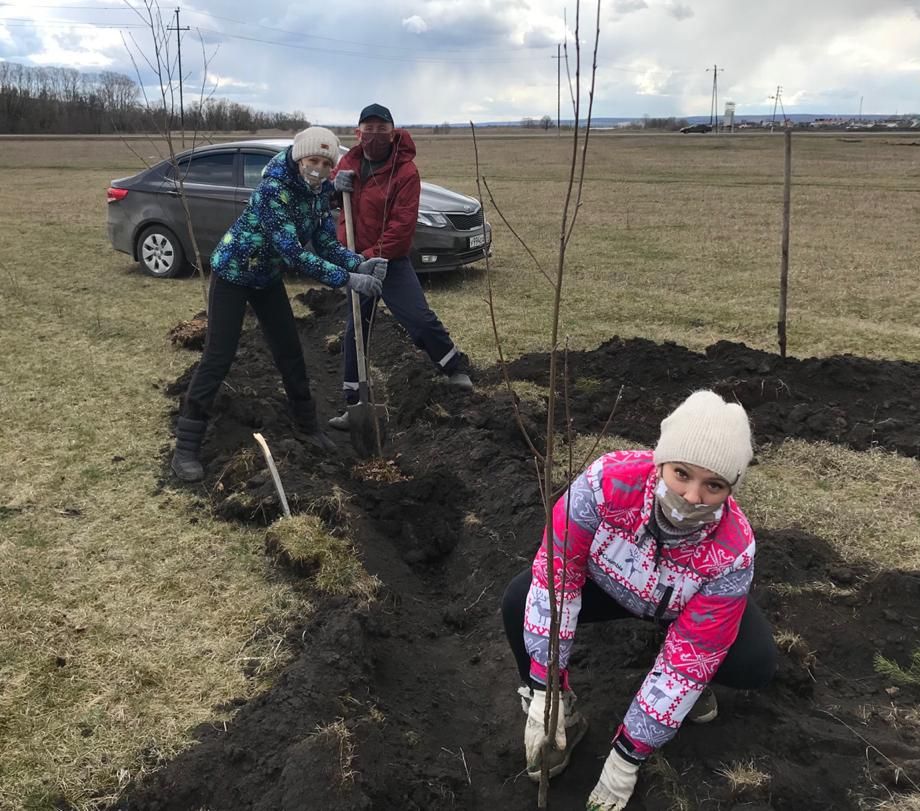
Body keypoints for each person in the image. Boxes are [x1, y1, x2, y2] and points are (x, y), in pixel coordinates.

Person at [501, 391, 777, 810]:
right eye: (681, 473)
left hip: (678, 604)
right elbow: (556, 580)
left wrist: (627, 757)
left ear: (730, 489)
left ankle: (687, 697)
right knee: (520, 599)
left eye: (713, 485)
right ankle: (562, 716)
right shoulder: (605, 484)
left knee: (751, 661)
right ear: (660, 460)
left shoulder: (732, 551)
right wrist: (545, 687)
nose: (691, 497)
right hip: (606, 583)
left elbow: (693, 654)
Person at [170, 126, 388, 482]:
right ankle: (186, 448)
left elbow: (325, 244)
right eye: (311, 160)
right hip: (233, 273)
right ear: (298, 157)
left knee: (290, 351)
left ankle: (307, 426)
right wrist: (349, 280)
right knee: (218, 357)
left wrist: (357, 262)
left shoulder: (317, 192)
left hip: (266, 277)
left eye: (324, 162)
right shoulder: (274, 190)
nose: (316, 167)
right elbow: (295, 254)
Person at [327, 103, 472, 432]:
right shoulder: (347, 163)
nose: (375, 136)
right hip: (356, 262)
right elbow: (327, 202)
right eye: (369, 129)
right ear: (357, 132)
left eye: (382, 129)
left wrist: (375, 255)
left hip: (390, 262)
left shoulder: (405, 172)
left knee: (419, 319)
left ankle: (454, 368)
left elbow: (402, 226)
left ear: (393, 132)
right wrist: (333, 190)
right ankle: (354, 406)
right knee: (355, 333)